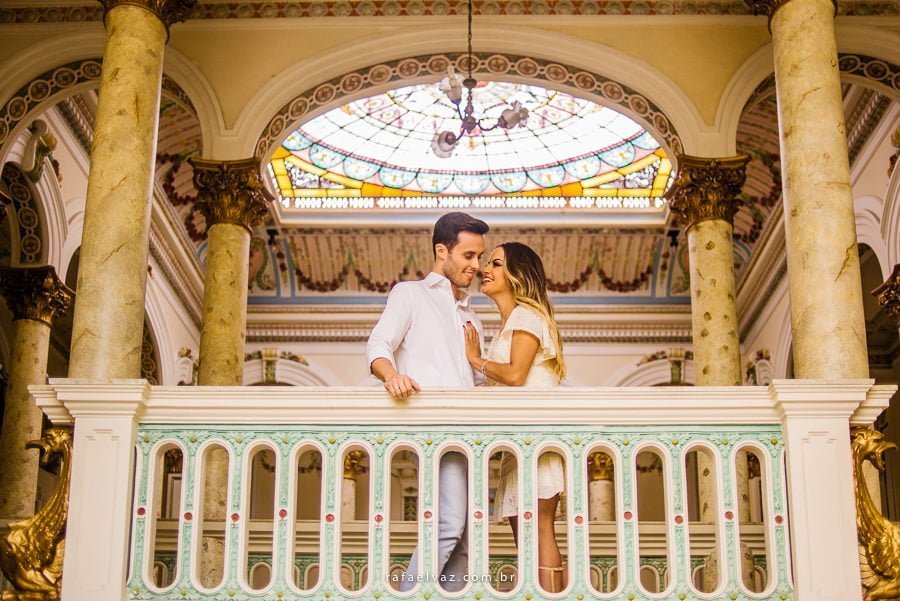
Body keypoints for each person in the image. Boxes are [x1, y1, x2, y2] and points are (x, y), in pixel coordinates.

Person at [366, 211, 489, 592]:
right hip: (437, 431)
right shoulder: (410, 294)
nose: (476, 266)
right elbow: (378, 345)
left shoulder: (473, 319)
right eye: (468, 256)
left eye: (480, 257)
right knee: (449, 524)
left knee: (467, 541)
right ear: (442, 251)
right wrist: (392, 376)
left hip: (473, 436)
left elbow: (478, 379)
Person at [462, 241, 567, 593]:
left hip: (535, 441)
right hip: (519, 446)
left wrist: (475, 359)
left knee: (538, 527)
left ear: (517, 274)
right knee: (526, 532)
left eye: (495, 263)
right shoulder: (511, 324)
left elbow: (516, 375)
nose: (483, 270)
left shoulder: (527, 316)